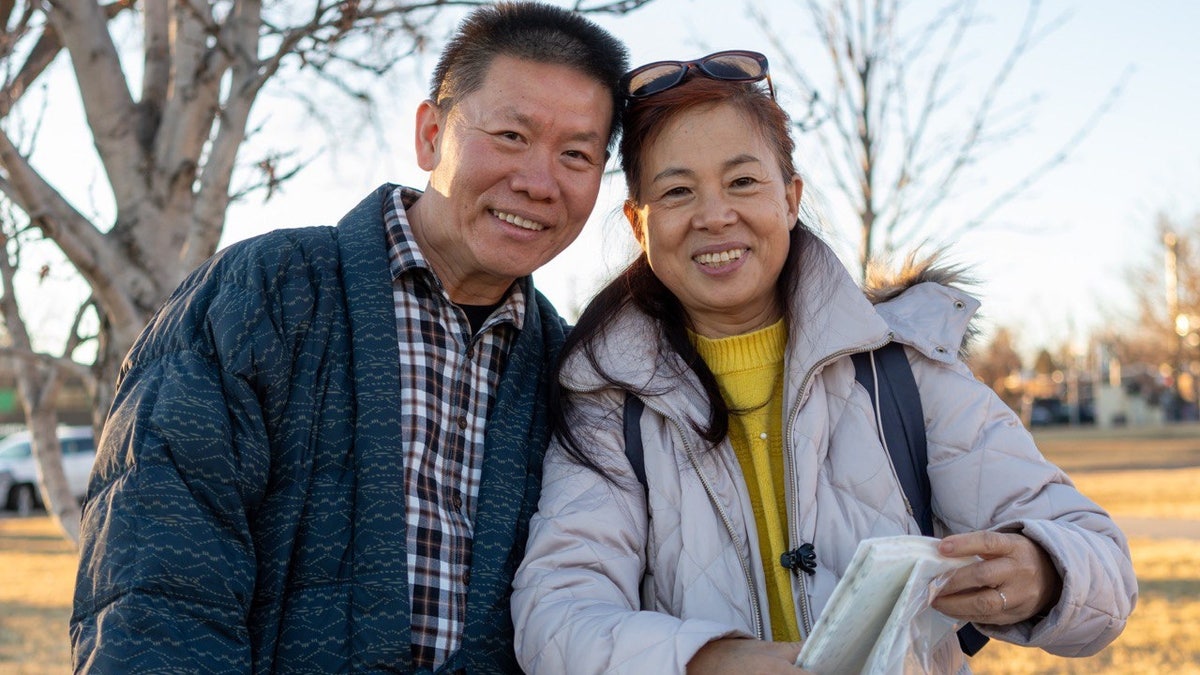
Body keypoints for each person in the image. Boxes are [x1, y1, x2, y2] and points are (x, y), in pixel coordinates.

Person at [511, 50, 1137, 674]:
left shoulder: (905, 366)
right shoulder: (605, 398)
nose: (714, 216)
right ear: (639, 224)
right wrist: (709, 661)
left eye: (743, 182)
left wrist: (1044, 571)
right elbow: (556, 617)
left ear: (790, 198)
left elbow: (1102, 566)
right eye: (677, 191)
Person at [69, 3, 628, 673]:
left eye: (576, 154)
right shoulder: (263, 294)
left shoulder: (569, 375)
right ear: (430, 134)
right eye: (511, 135)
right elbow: (157, 589)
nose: (539, 181)